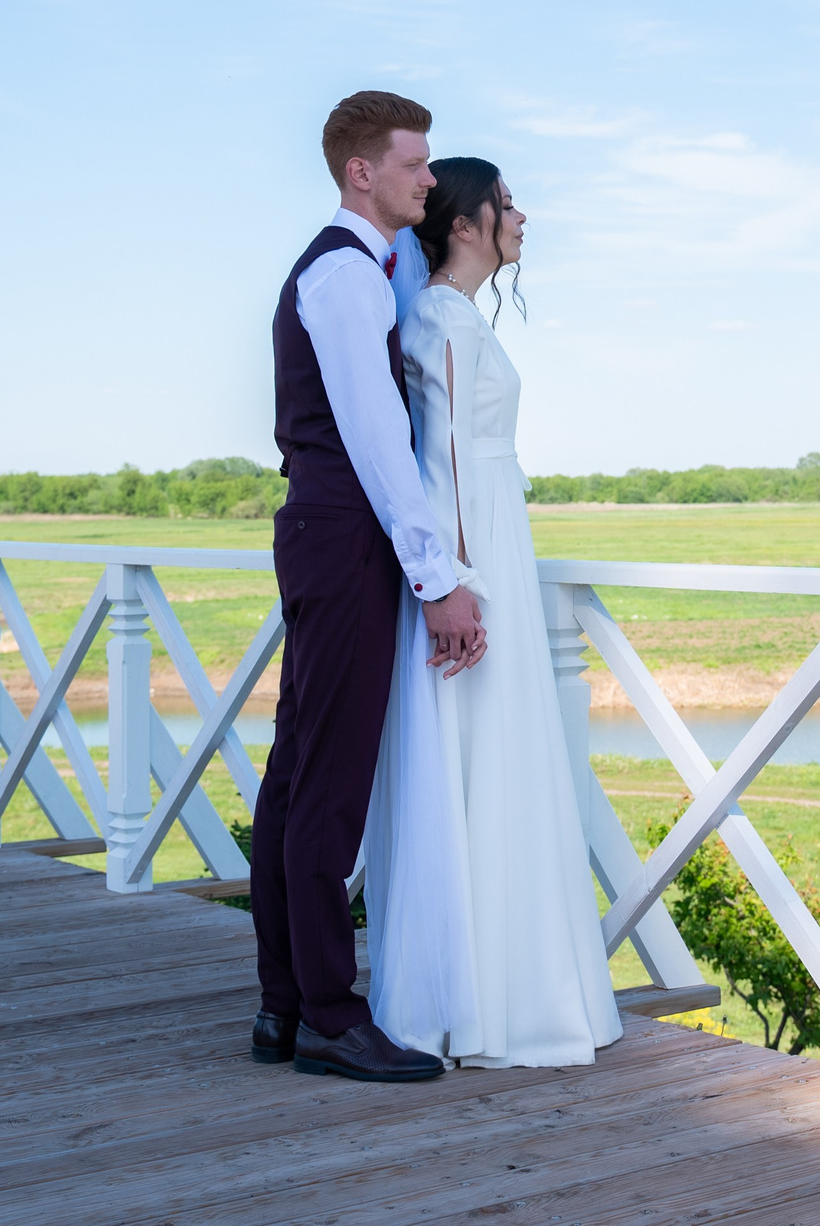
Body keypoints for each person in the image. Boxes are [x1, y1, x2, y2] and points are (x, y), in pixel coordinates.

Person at [361, 157, 624, 1067]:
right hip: (477, 560)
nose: (521, 215)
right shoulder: (439, 316)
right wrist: (457, 584)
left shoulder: (454, 317)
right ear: (464, 223)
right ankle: (481, 997)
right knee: (479, 746)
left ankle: (508, 983)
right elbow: (440, 463)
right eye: (505, 201)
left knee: (502, 749)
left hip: (495, 543)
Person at [251, 90, 486, 1086]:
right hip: (345, 533)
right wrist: (438, 576)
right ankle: (331, 1018)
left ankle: (285, 1002)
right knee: (328, 786)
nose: (429, 180)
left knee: (298, 776)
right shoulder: (346, 276)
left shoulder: (352, 269)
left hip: (322, 528)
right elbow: (377, 440)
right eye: (415, 162)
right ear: (363, 170)